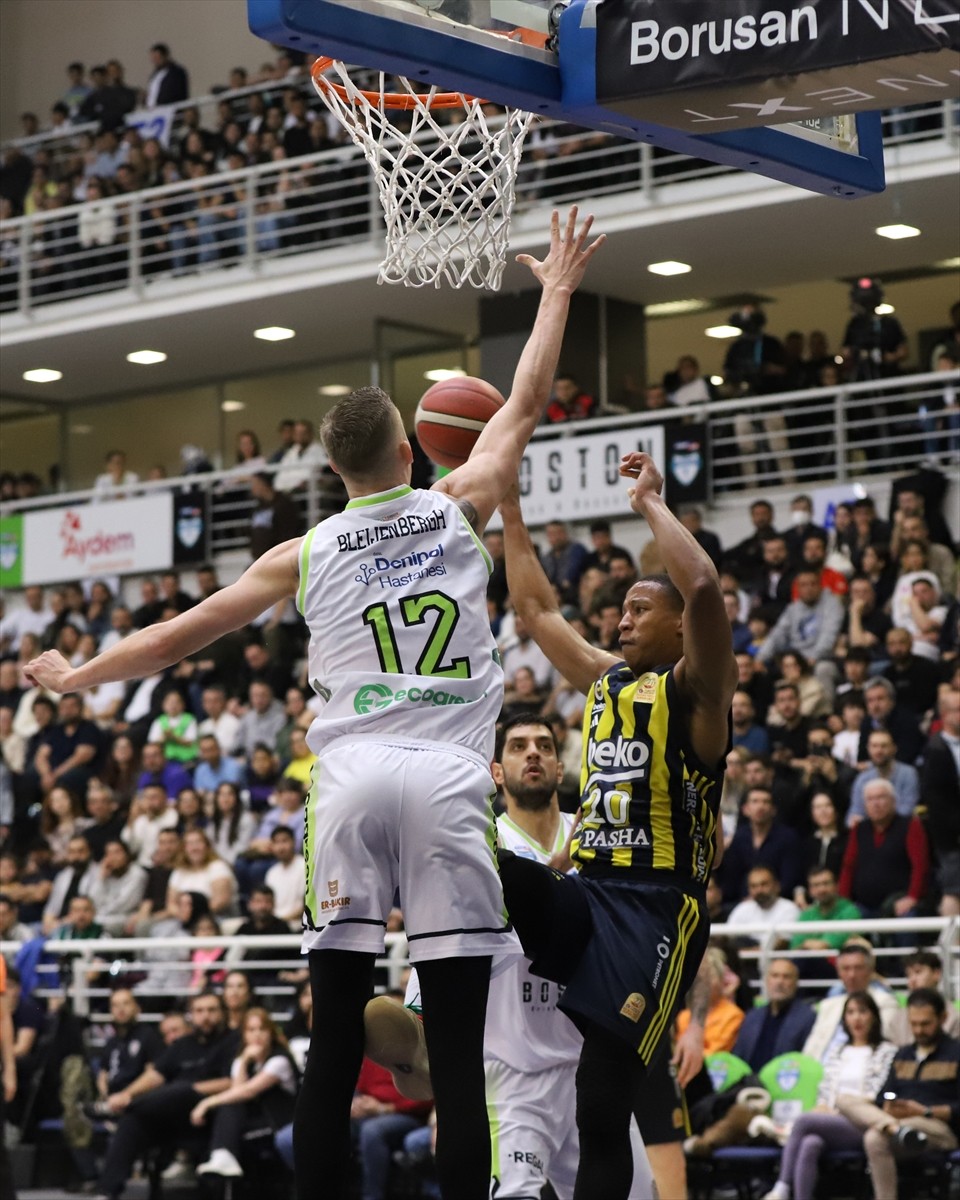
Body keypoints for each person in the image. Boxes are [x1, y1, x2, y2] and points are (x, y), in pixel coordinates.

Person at [24, 206, 604, 1200]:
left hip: (348, 780)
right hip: (448, 778)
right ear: (414, 452)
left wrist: (76, 677)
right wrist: (554, 289)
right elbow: (526, 399)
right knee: (457, 1050)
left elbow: (174, 636)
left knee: (333, 1042)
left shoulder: (301, 552)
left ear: (334, 470)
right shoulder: (458, 504)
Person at [496, 450, 737, 1199]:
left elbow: (704, 587)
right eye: (621, 610)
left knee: (600, 1107)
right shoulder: (606, 683)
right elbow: (537, 612)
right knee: (479, 858)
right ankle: (437, 1034)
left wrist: (650, 504)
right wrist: (509, 505)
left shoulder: (697, 694)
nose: (621, 619)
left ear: (678, 627)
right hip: (589, 892)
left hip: (655, 910)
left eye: (638, 610)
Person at [365, 715, 656, 1199]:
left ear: (560, 768)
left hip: (591, 1063)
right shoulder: (485, 842)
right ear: (497, 772)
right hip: (509, 1072)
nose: (533, 753)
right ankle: (421, 1028)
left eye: (544, 745)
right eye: (519, 746)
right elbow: (448, 931)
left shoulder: (596, 838)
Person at [761, 991, 898, 1200]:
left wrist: (843, 1108)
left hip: (865, 1121)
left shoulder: (887, 1051)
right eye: (851, 1012)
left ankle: (782, 1187)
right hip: (832, 1120)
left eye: (862, 1011)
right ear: (844, 1018)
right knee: (810, 1143)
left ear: (874, 1016)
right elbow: (825, 1090)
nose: (857, 1018)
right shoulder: (837, 1051)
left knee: (804, 1121)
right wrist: (823, 1106)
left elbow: (882, 1092)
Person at [836, 990, 960, 1199]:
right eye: (914, 1024)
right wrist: (891, 1104)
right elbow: (886, 1093)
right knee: (844, 1100)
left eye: (925, 1024)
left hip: (937, 1127)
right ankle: (893, 1127)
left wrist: (926, 1111)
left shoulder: (956, 1053)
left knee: (875, 1138)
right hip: (900, 1120)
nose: (919, 1030)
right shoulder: (903, 1054)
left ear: (943, 1018)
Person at [192, 1007, 298, 1178]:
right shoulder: (242, 1061)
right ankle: (221, 1156)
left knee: (227, 1104)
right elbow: (237, 1091)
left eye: (262, 1029)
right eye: (251, 1030)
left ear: (271, 1033)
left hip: (281, 1123)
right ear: (244, 1035)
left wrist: (207, 1102)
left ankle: (223, 1154)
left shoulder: (280, 1060)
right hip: (255, 1120)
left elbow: (248, 1092)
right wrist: (244, 1061)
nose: (257, 1034)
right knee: (227, 1107)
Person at [731, 958, 816, 1071]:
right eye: (775, 976)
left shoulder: (807, 1018)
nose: (779, 982)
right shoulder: (752, 1017)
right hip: (748, 1079)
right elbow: (738, 1057)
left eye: (786, 977)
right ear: (767, 981)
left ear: (796, 983)